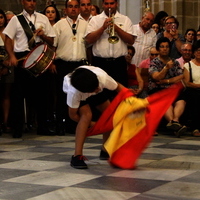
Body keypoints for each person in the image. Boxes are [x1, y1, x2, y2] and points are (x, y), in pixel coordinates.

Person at [3, 0, 56, 138]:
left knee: (42, 94)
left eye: (33, 0)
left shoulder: (43, 18)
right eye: (28, 0)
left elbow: (52, 41)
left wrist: (42, 35)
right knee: (18, 95)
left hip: (39, 56)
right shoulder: (16, 19)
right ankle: (17, 128)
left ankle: (42, 126)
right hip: (22, 57)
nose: (31, 3)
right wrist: (12, 56)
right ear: (22, 2)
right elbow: (8, 39)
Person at [63, 66, 125, 169]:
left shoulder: (102, 78)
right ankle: (77, 156)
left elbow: (119, 87)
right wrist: (94, 125)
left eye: (97, 87)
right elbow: (73, 115)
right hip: (82, 91)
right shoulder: (74, 92)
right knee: (86, 115)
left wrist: (134, 100)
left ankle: (106, 150)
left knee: (110, 114)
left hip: (90, 85)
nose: (97, 89)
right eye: (94, 89)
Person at [53, 0, 88, 135]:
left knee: (78, 96)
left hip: (79, 64)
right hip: (63, 63)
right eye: (70, 7)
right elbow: (52, 45)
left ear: (79, 9)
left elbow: (88, 46)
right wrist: (52, 63)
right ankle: (60, 124)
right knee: (62, 95)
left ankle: (73, 125)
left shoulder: (85, 25)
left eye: (75, 7)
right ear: (65, 9)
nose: (73, 9)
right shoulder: (59, 25)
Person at [85, 0, 135, 87]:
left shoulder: (125, 19)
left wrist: (117, 29)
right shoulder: (95, 20)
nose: (109, 6)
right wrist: (103, 28)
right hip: (100, 63)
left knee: (120, 94)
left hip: (119, 63)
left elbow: (131, 40)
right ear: (102, 4)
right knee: (100, 94)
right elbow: (89, 40)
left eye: (112, 3)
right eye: (106, 3)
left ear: (116, 4)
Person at [148, 37, 186, 137]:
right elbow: (156, 77)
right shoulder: (154, 62)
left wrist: (167, 81)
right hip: (157, 89)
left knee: (181, 99)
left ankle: (175, 121)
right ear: (158, 49)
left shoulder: (175, 62)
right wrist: (166, 68)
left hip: (172, 89)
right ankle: (174, 124)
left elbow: (181, 76)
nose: (165, 49)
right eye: (162, 47)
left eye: (167, 47)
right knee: (166, 99)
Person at [0, 9, 14, 134]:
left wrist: (6, 64)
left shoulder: (8, 34)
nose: (0, 20)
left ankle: (6, 121)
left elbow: (12, 50)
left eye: (1, 17)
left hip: (8, 66)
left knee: (6, 95)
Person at [183, 40, 200, 136]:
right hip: (193, 90)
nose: (199, 52)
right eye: (197, 50)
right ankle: (195, 127)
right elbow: (187, 83)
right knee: (195, 96)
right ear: (193, 52)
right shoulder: (188, 65)